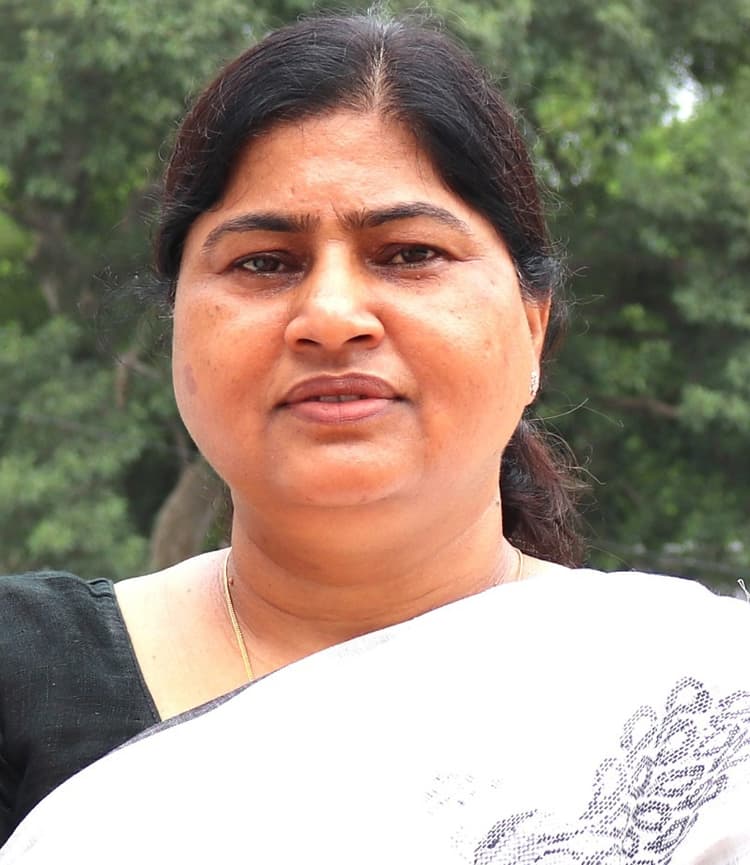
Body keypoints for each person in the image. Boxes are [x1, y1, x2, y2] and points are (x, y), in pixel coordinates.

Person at [1, 11, 749, 863]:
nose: (330, 316)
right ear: (177, 326)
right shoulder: (21, 671)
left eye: (408, 253)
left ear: (533, 327)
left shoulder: (705, 687)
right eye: (264, 262)